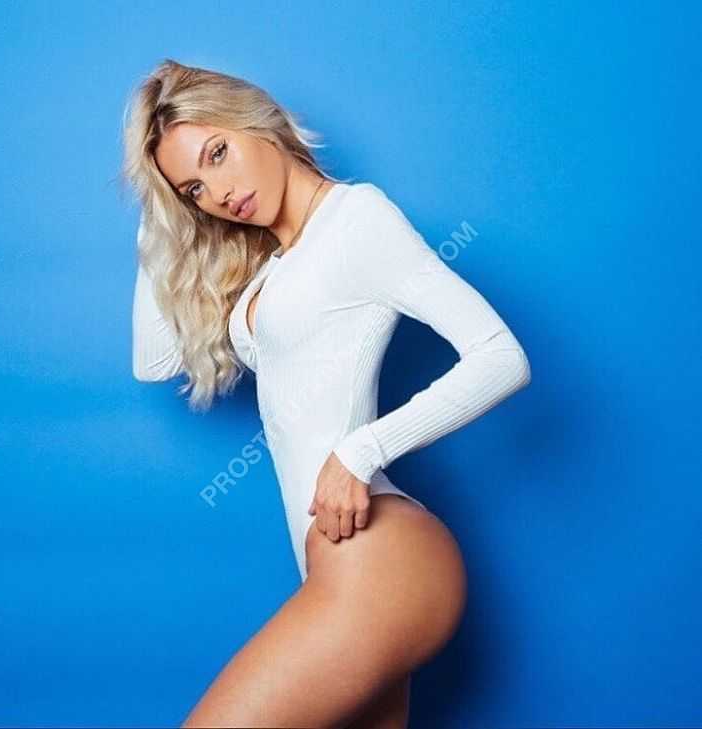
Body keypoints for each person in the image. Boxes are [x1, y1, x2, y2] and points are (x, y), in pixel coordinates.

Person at [123, 58, 531, 728]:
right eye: (194, 188)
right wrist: (157, 211)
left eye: (218, 153)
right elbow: (155, 361)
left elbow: (500, 357)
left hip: (379, 560)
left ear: (259, 121)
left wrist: (359, 453)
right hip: (338, 565)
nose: (218, 192)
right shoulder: (269, 266)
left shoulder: (357, 219)